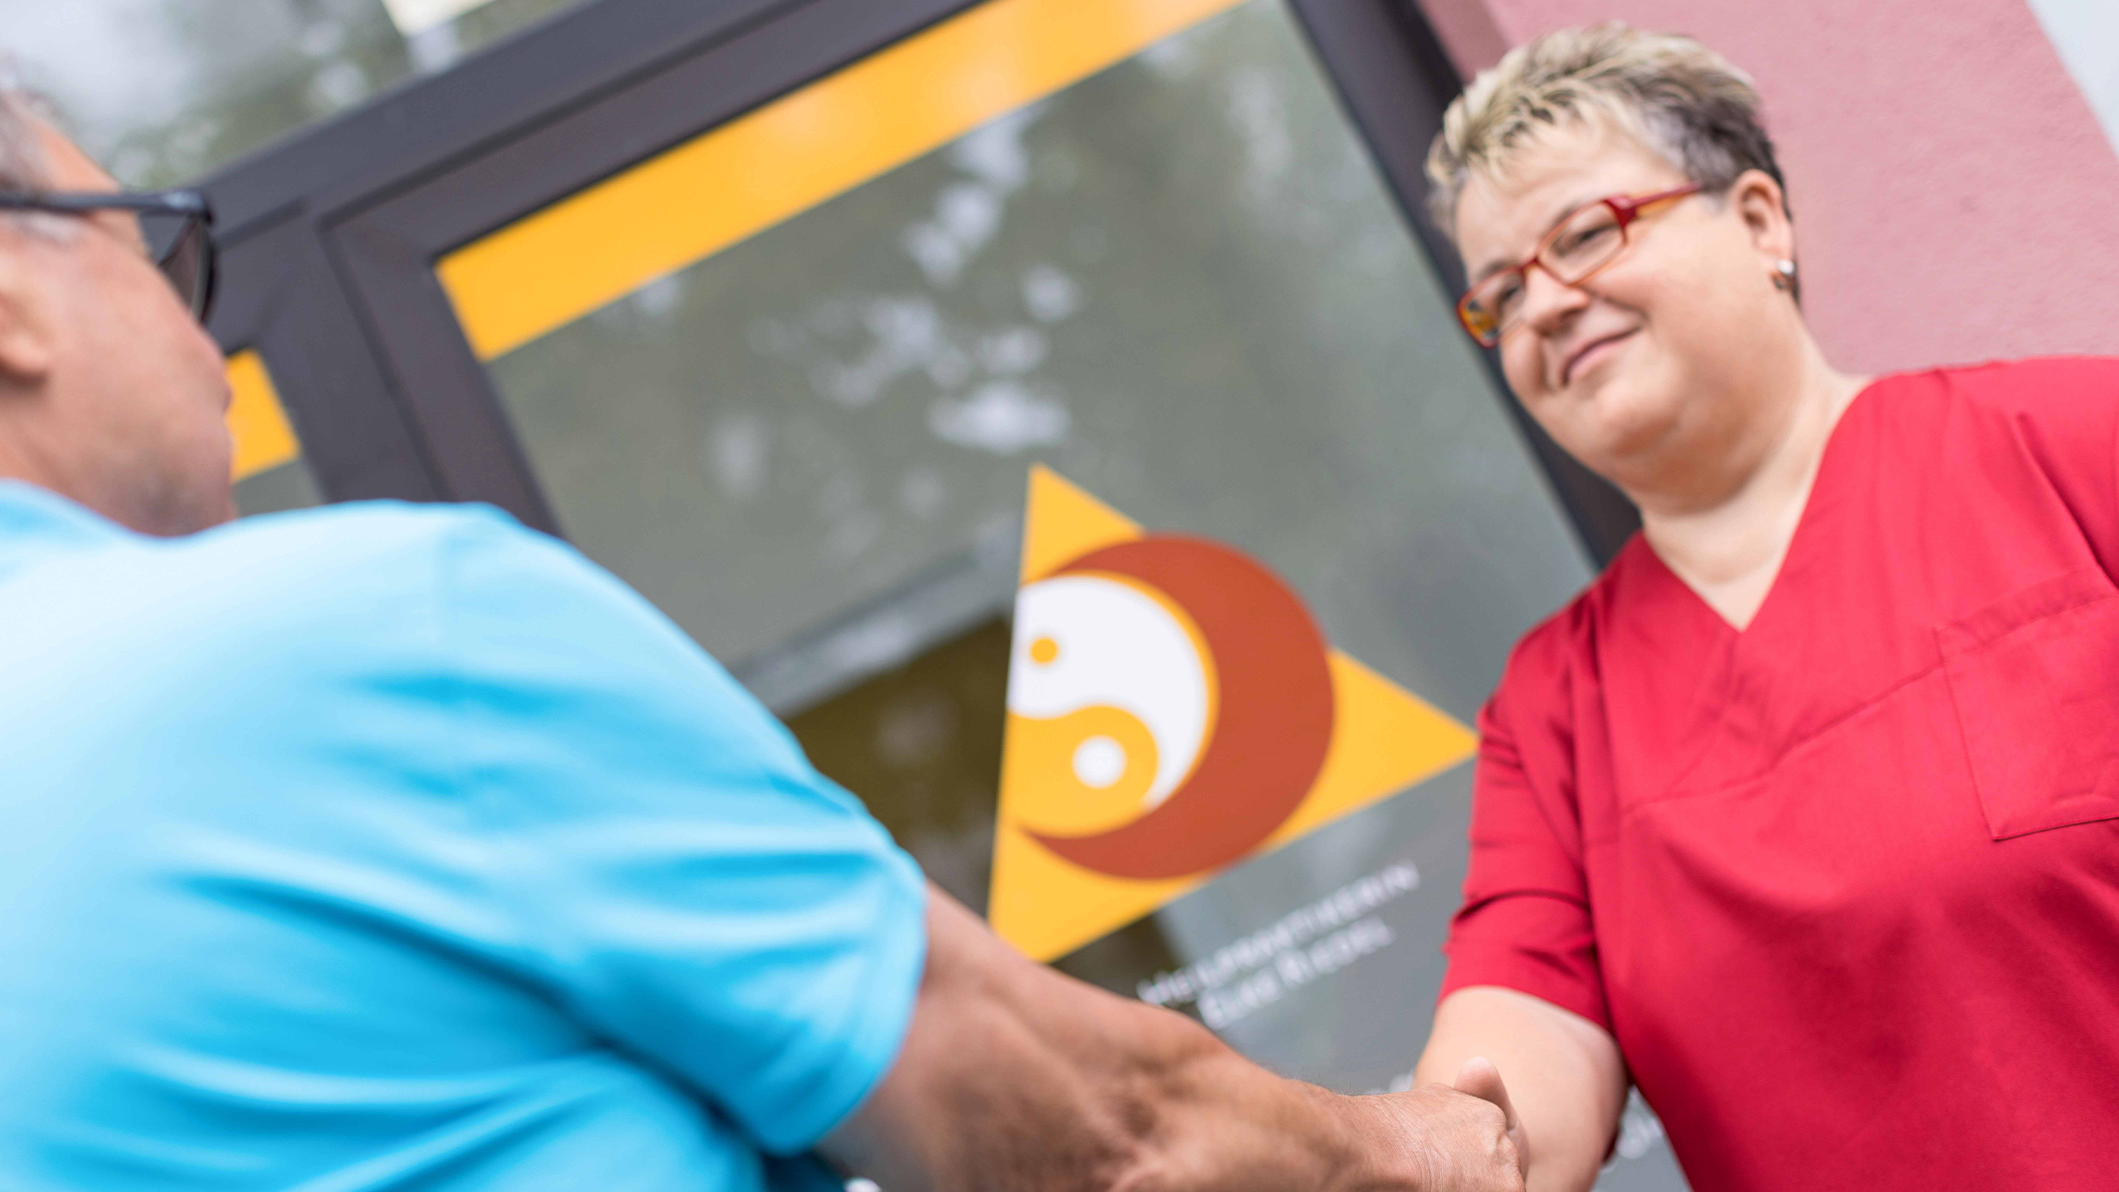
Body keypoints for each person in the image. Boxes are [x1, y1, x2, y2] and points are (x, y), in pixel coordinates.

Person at [0, 88, 1530, 1191]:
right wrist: (1443, 1151)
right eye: (157, 249)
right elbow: (1096, 1137)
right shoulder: (372, 637)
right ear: (14, 295)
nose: (202, 336)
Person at [1410, 21, 2119, 1192]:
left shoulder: (2071, 450)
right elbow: (1516, 1053)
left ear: (1756, 221)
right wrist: (1382, 1152)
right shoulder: (1552, 713)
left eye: (1583, 234)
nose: (1540, 307)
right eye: (1497, 296)